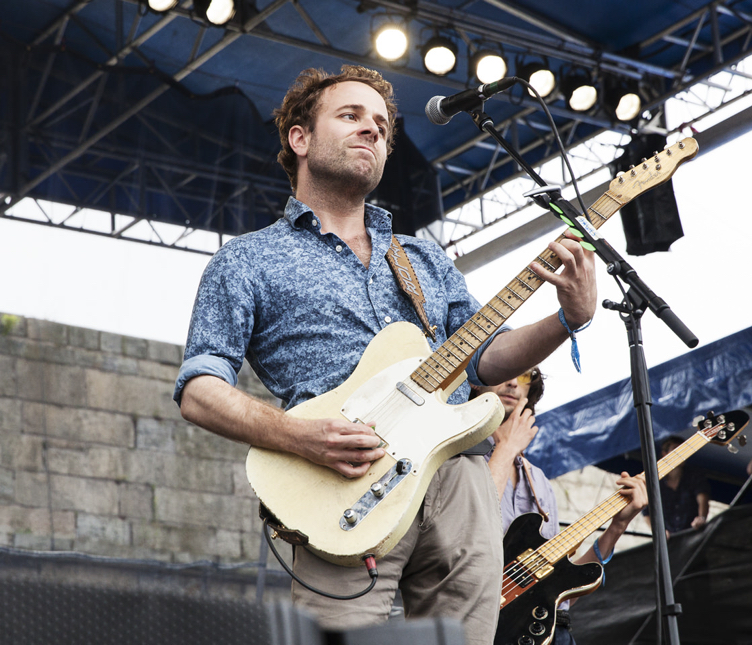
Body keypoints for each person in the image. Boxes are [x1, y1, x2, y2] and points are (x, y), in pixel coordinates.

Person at [173, 65, 597, 645]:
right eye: (350, 116)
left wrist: (567, 317)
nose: (372, 131)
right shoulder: (246, 261)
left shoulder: (423, 259)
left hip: (453, 474)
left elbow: (485, 357)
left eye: (381, 125)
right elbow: (200, 391)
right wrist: (302, 438)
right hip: (339, 481)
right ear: (300, 139)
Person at [471, 367, 647, 645]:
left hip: (554, 633)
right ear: (476, 384)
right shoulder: (460, 462)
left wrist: (619, 525)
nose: (513, 382)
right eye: (505, 369)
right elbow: (469, 533)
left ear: (531, 391)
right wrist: (505, 448)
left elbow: (557, 595)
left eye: (526, 375)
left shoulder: (538, 481)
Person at [643, 435, 710, 535]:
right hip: (669, 539)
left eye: (683, 450)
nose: (680, 454)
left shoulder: (694, 476)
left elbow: (703, 499)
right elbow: (646, 512)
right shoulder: (654, 482)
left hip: (692, 534)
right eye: (675, 450)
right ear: (664, 454)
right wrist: (658, 532)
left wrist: (701, 518)